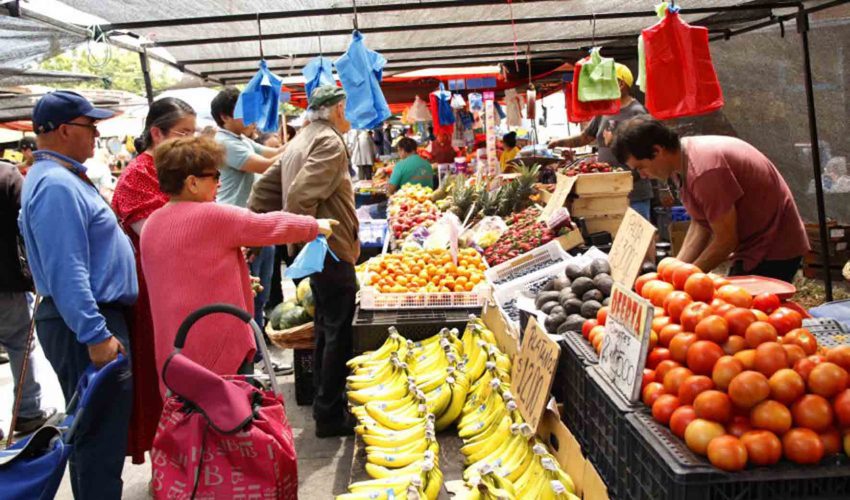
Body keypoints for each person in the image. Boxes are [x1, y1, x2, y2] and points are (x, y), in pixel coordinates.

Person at [141, 136, 335, 395]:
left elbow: (187, 274)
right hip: (216, 343)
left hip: (172, 349)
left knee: (186, 423)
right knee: (228, 419)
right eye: (214, 175)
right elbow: (266, 225)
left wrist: (237, 280)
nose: (219, 183)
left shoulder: (152, 224)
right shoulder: (213, 215)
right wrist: (314, 226)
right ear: (192, 182)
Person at [19, 90, 135, 499]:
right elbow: (67, 269)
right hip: (84, 322)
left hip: (88, 318)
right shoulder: (54, 185)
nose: (96, 134)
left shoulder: (61, 178)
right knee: (98, 439)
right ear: (65, 130)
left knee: (100, 436)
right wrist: (95, 334)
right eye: (91, 126)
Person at [611, 116, 809, 282]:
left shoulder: (705, 172)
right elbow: (701, 223)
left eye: (640, 167)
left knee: (748, 317)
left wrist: (687, 279)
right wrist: (676, 270)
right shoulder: (680, 161)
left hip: (774, 245)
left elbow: (726, 241)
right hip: (753, 243)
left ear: (657, 150)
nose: (642, 176)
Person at [111, 97, 196, 465]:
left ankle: (192, 455)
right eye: (182, 133)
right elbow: (159, 236)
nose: (190, 141)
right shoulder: (138, 175)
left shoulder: (171, 167)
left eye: (194, 133)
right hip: (154, 292)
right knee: (165, 374)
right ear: (156, 133)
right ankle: (173, 464)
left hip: (182, 284)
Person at [284, 85, 360, 437]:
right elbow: (300, 194)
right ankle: (330, 414)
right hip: (330, 248)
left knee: (326, 327)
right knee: (337, 330)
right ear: (339, 110)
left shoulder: (301, 138)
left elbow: (268, 187)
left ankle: (323, 403)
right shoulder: (329, 141)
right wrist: (307, 235)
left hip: (319, 250)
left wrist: (266, 227)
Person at [211, 87, 286, 334]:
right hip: (236, 229)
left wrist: (302, 138)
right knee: (248, 296)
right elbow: (265, 165)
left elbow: (274, 153)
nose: (253, 118)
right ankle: (251, 357)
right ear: (224, 117)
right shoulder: (224, 142)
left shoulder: (241, 139)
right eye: (245, 113)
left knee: (260, 293)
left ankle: (257, 353)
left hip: (253, 223)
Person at [547, 64, 654, 220]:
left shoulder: (637, 112)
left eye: (606, 82)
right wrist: (558, 142)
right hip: (606, 192)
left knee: (638, 239)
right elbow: (585, 137)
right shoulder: (604, 112)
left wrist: (614, 142)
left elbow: (647, 152)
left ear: (621, 84)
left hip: (633, 194)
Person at [0, 159, 55, 442]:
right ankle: (27, 411)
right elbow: (29, 221)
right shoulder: (6, 174)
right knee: (20, 343)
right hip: (6, 280)